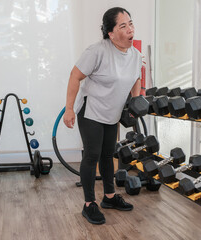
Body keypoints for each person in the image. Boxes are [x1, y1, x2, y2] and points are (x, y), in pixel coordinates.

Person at [63, 7, 142, 225]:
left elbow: (136, 77)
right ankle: (89, 204)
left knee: (108, 155)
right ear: (111, 33)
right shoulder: (97, 51)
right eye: (123, 26)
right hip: (91, 111)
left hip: (112, 113)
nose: (130, 29)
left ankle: (109, 197)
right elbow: (75, 76)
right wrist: (69, 108)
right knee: (92, 155)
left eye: (131, 24)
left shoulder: (135, 54)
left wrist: (134, 102)